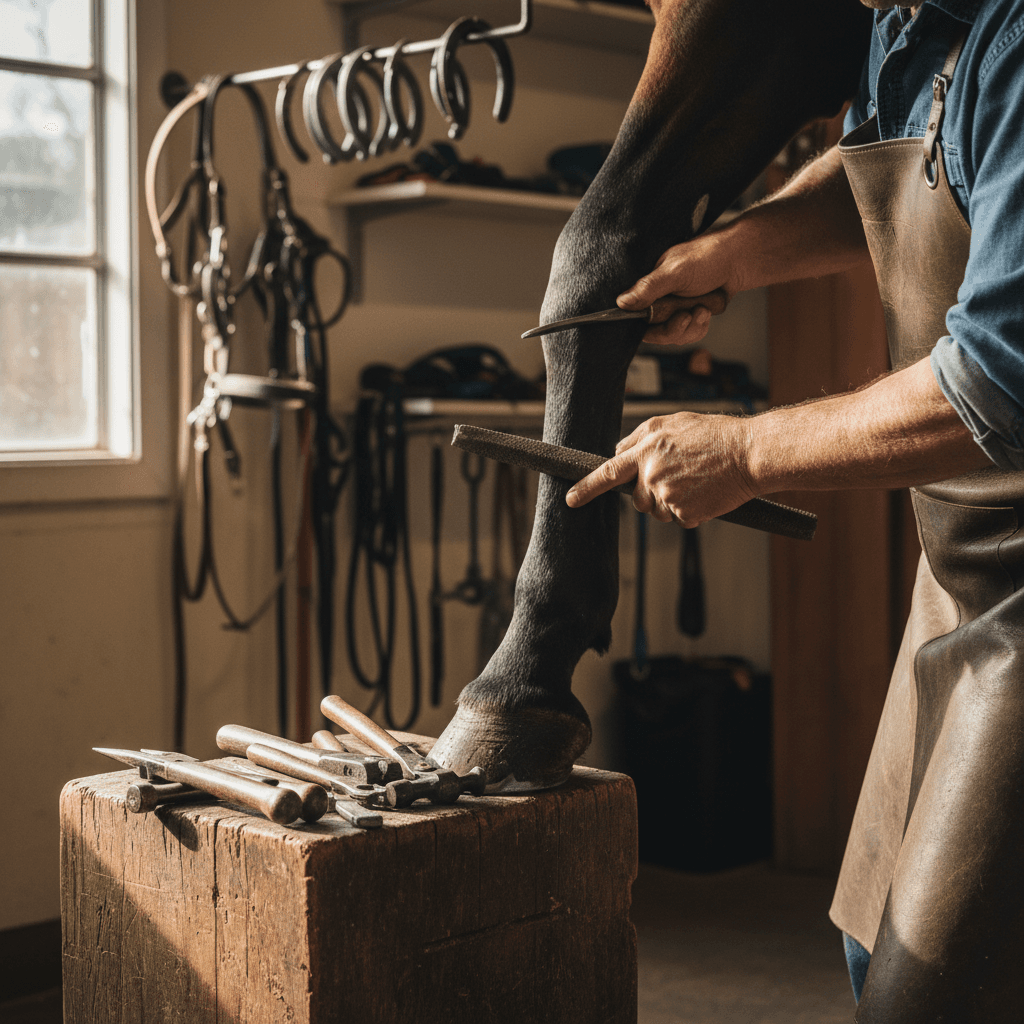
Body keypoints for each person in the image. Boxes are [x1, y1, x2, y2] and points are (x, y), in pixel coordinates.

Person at [569, 1, 1024, 1019]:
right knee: (873, 948)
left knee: (934, 996)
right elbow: (886, 173)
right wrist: (732, 253)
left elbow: (1000, 386)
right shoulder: (897, 26)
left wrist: (744, 449)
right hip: (952, 577)